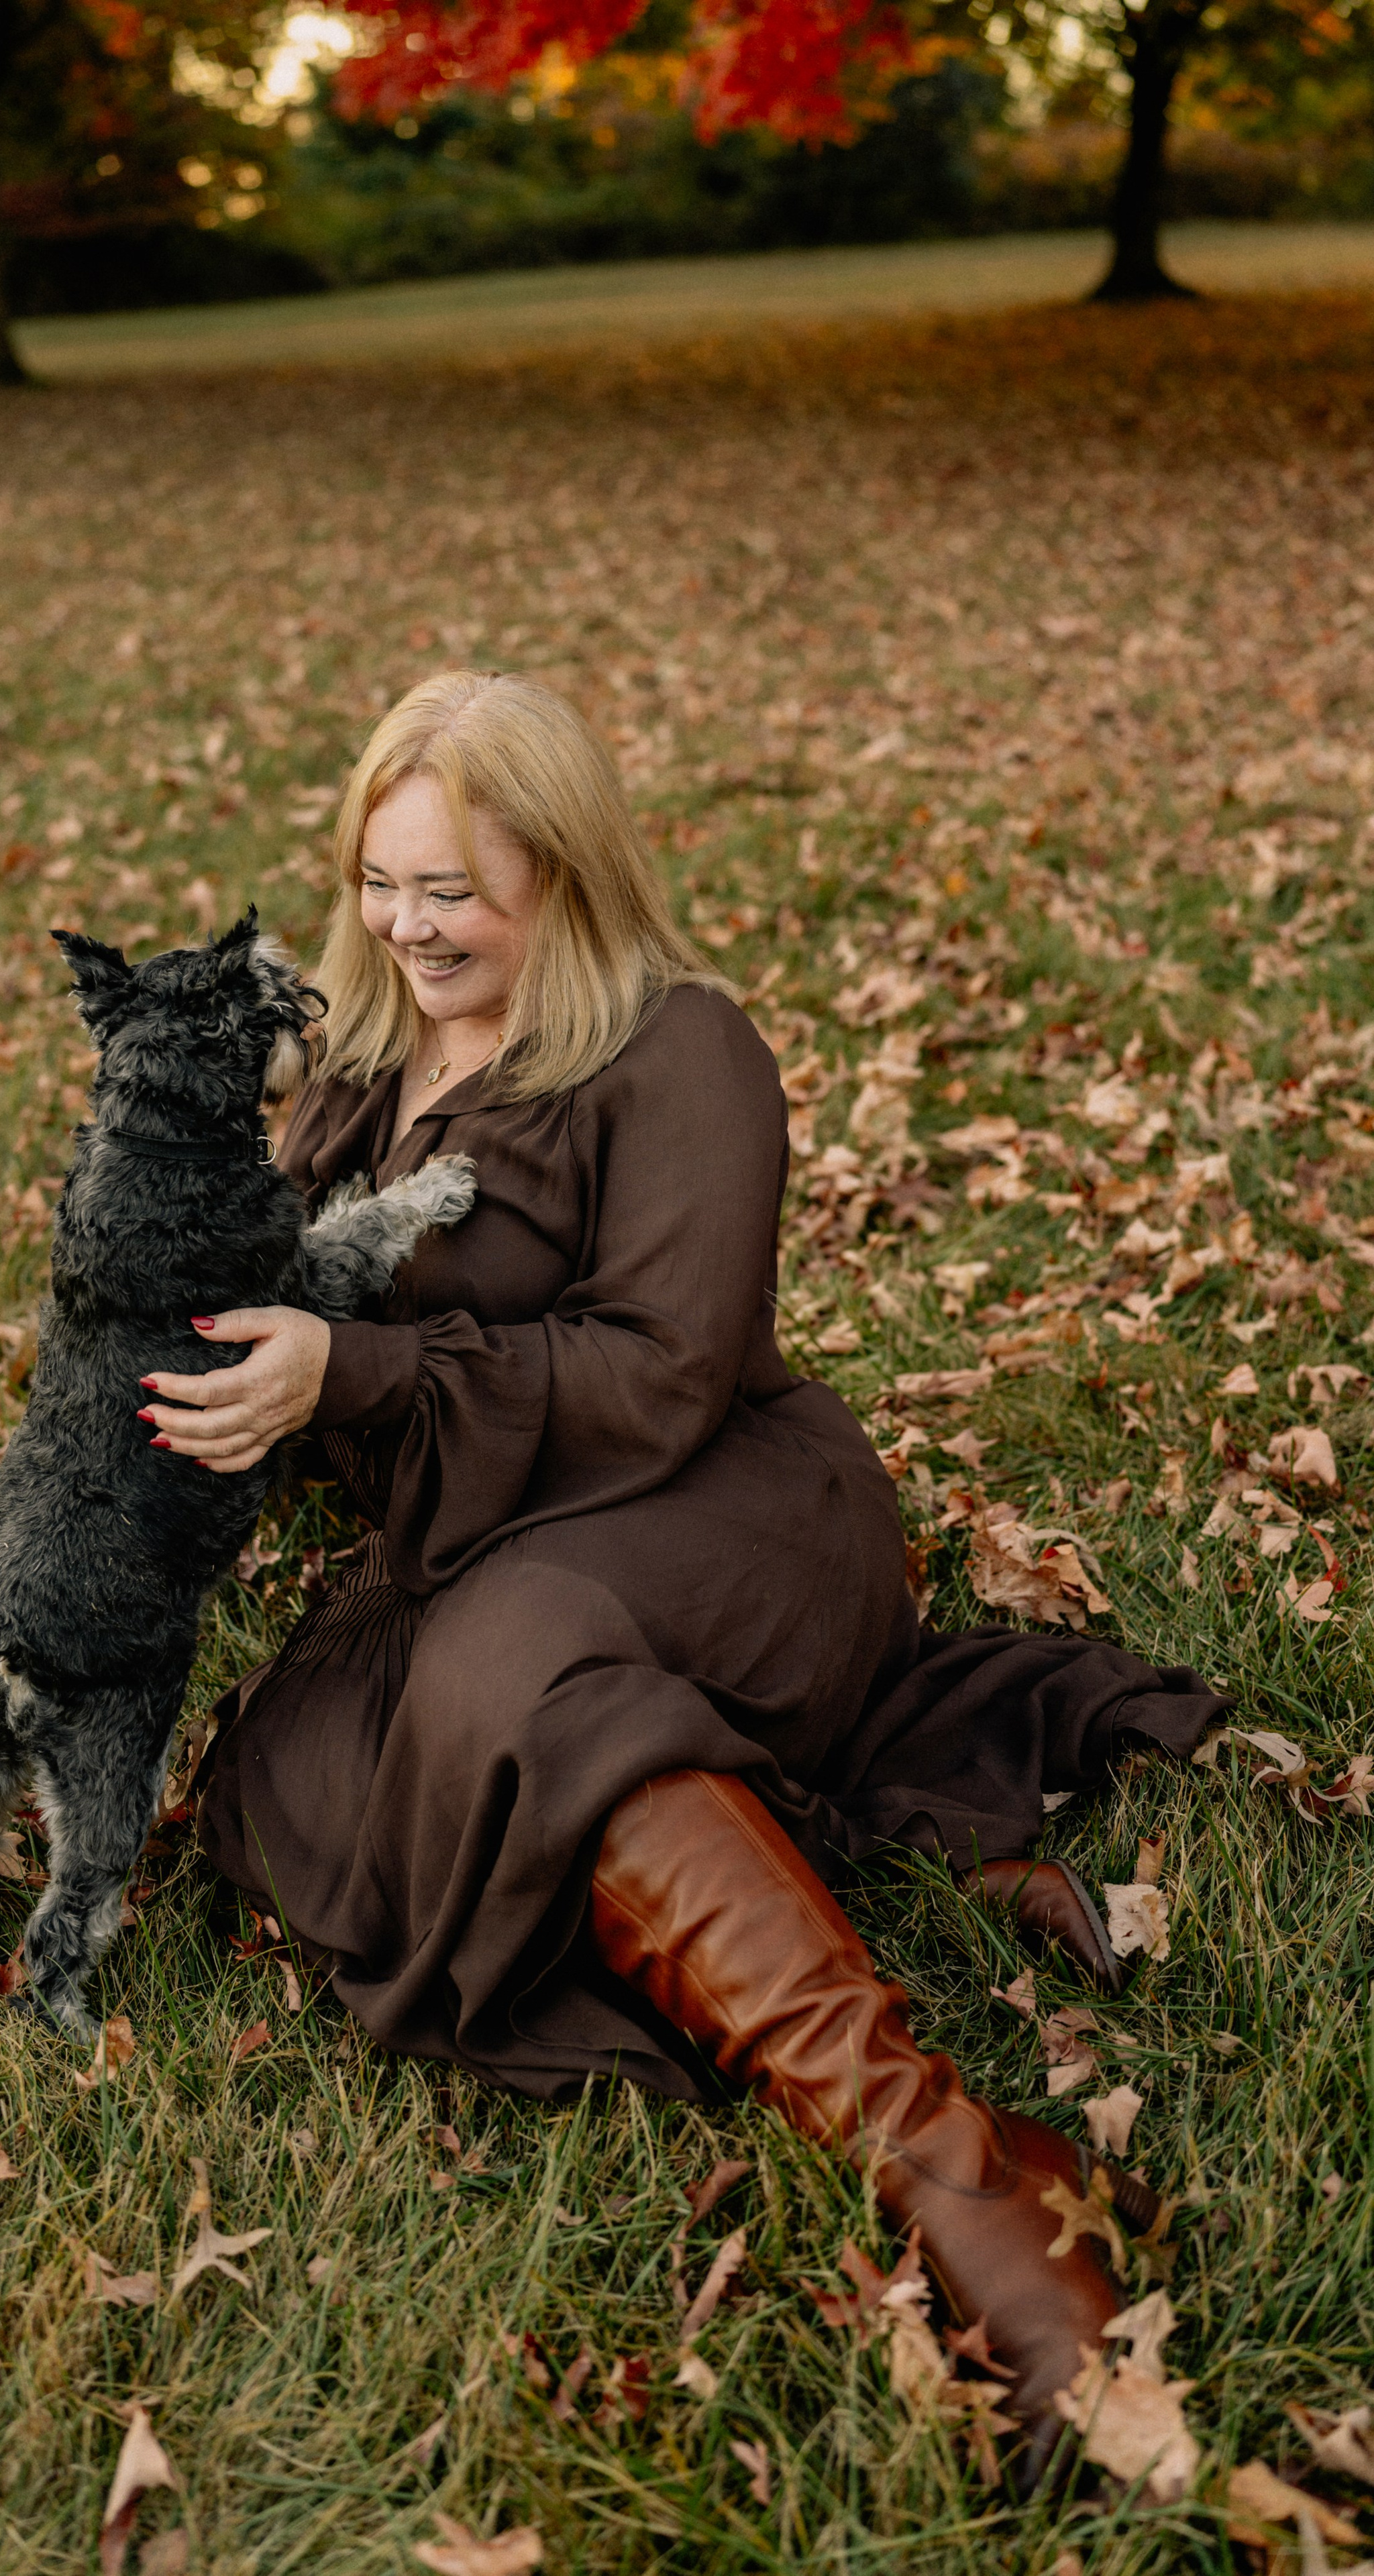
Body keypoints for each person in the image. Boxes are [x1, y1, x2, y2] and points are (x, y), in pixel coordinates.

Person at [136, 669, 1225, 2479]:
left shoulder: (677, 1050)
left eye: (455, 893)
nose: (410, 927)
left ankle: (962, 2185)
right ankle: (767, 1920)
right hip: (488, 1540)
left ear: (561, 871)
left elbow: (658, 1379)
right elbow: (310, 1306)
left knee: (514, 1666)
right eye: (382, 881)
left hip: (728, 1513)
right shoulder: (361, 1059)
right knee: (294, 1768)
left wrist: (370, 1376)